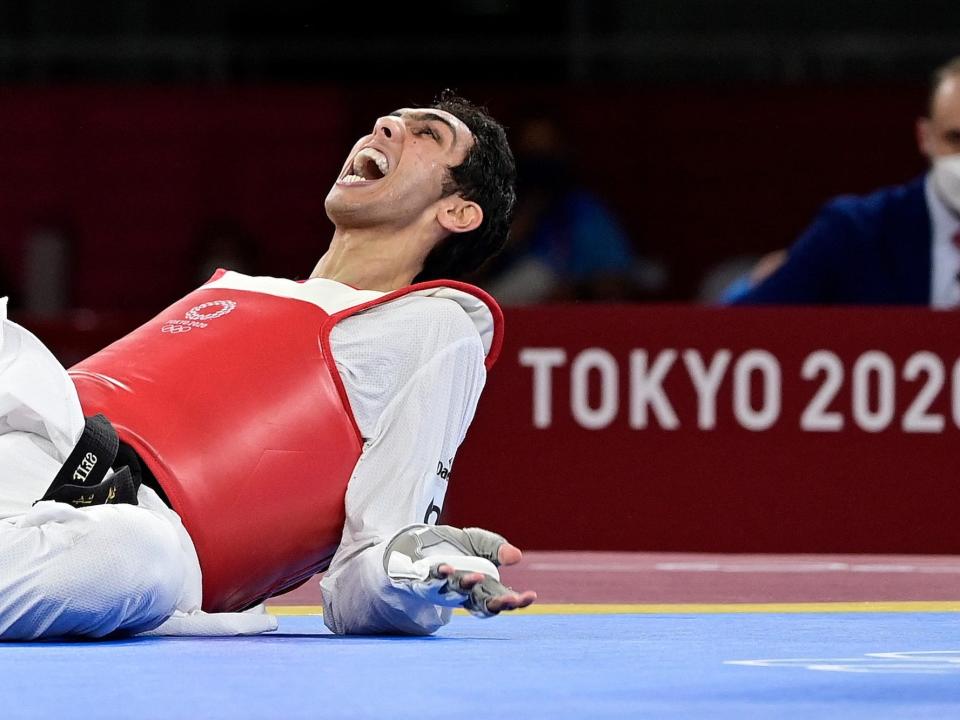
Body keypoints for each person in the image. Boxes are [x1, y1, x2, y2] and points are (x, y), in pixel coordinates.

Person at [0, 92, 536, 640]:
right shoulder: (241, 288)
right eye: (391, 120)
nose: (386, 126)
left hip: (121, 528)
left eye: (428, 134)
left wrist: (412, 575)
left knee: (133, 556)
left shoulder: (433, 326)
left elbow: (363, 574)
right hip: (27, 439)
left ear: (458, 212)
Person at [732, 56, 960, 306]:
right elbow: (729, 333)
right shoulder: (855, 233)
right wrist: (752, 285)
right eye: (955, 139)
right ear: (924, 137)